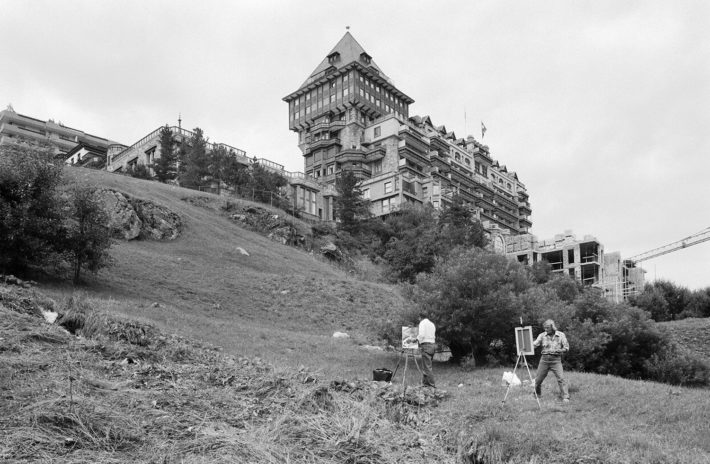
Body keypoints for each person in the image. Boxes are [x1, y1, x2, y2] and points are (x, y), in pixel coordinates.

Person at [533, 319, 570, 402]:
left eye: (547, 328)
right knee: (538, 379)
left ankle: (565, 397)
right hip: (544, 360)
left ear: (552, 327)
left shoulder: (561, 335)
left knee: (561, 378)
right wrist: (527, 346)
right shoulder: (542, 335)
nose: (546, 330)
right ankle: (537, 394)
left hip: (556, 360)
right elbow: (534, 344)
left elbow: (566, 347)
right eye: (545, 328)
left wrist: (560, 350)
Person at [416, 311, 436, 388]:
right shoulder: (431, 324)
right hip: (432, 345)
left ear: (420, 317)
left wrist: (416, 340)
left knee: (427, 368)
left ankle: (432, 386)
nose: (418, 319)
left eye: (418, 317)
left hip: (426, 345)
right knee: (426, 366)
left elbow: (421, 335)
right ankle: (425, 385)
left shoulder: (422, 323)